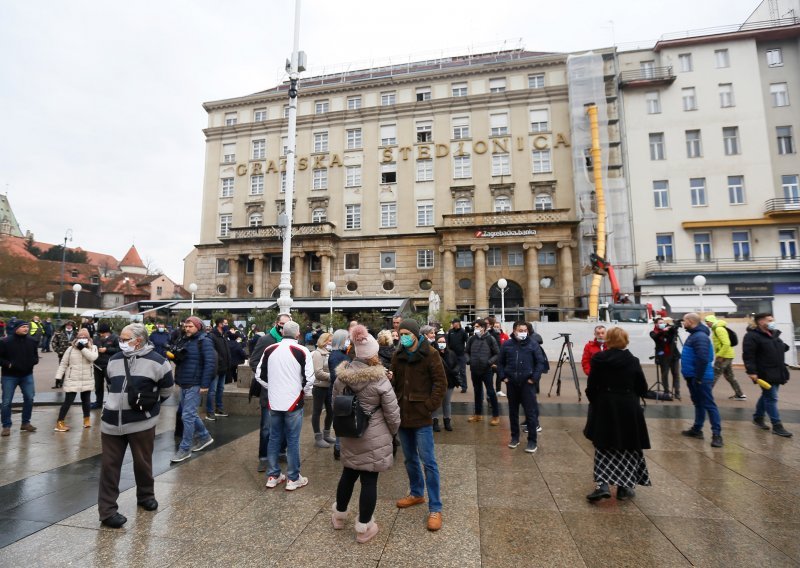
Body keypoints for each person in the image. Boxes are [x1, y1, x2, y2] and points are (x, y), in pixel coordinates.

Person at [98, 323, 174, 528]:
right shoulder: (113, 360)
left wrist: (149, 409)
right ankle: (107, 512)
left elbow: (167, 390)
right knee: (109, 467)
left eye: (124, 339)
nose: (120, 342)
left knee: (142, 462)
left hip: (141, 422)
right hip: (111, 422)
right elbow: (109, 385)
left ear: (138, 340)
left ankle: (146, 496)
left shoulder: (158, 362)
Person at [331, 325, 401, 543]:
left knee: (348, 474)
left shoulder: (342, 377)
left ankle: (339, 516)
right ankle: (364, 528)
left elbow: (335, 404)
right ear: (373, 354)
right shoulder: (380, 379)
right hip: (374, 435)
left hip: (350, 433)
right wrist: (392, 433)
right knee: (369, 481)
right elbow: (393, 413)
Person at [391, 318, 447, 532]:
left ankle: (435, 507)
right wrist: (390, 378)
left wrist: (429, 406)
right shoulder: (398, 354)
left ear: (416, 334)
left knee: (429, 461)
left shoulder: (431, 354)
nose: (402, 336)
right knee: (410, 459)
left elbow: (441, 383)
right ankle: (416, 493)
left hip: (421, 415)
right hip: (403, 415)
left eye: (406, 333)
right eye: (400, 332)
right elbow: (396, 381)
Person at [583, 327, 651, 501]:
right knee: (628, 446)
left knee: (603, 446)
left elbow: (591, 386)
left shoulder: (599, 359)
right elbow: (642, 388)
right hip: (628, 406)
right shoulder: (633, 360)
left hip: (605, 405)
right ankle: (624, 487)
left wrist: (598, 401)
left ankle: (602, 485)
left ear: (609, 340)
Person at [258, 321, 314, 491]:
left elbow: (259, 375)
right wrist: (301, 391)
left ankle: (273, 475)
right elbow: (310, 378)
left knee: (274, 438)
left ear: (282, 332)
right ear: (297, 334)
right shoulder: (302, 350)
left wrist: (272, 388)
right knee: (292, 439)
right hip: (293, 402)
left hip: (274, 402)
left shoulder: (270, 349)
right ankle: (293, 478)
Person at [170, 316, 216, 463]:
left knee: (187, 416)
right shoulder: (184, 339)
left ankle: (184, 449)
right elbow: (183, 360)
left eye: (190, 326)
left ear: (198, 326)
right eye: (186, 326)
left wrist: (204, 385)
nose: (187, 328)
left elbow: (210, 364)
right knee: (189, 413)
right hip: (184, 381)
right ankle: (204, 436)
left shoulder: (205, 341)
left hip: (195, 383)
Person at [498, 321, 549, 453]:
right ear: (514, 331)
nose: (523, 332)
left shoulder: (533, 344)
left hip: (527, 384)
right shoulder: (507, 345)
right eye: (520, 330)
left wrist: (534, 378)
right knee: (513, 412)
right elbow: (500, 363)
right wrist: (503, 377)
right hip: (512, 384)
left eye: (525, 330)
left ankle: (532, 441)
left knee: (530, 413)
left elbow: (540, 362)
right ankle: (515, 437)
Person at [250, 313, 291, 473]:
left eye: (287, 325)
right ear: (276, 323)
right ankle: (264, 457)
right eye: (281, 324)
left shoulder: (292, 340)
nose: (283, 327)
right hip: (269, 391)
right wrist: (269, 377)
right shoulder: (266, 340)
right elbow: (254, 361)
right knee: (267, 427)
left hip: (287, 392)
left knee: (286, 425)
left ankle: (281, 452)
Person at [743, 313, 792, 438]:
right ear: (760, 322)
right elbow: (748, 355)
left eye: (773, 319)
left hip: (778, 370)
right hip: (764, 372)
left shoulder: (774, 334)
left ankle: (758, 418)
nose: (772, 322)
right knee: (772, 398)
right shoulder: (752, 336)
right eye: (770, 320)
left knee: (767, 395)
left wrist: (782, 347)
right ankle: (777, 425)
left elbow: (779, 347)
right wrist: (751, 371)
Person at [680, 313, 723, 448]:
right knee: (699, 403)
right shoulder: (695, 335)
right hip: (694, 376)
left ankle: (717, 434)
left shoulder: (700, 337)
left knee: (709, 405)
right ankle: (697, 429)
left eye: (684, 320)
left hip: (700, 378)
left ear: (691, 321)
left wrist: (698, 378)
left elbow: (703, 358)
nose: (683, 323)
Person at [54, 328, 98, 431]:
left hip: (87, 378)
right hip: (72, 378)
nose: (82, 339)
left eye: (84, 337)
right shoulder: (70, 349)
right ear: (76, 338)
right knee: (68, 401)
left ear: (88, 338)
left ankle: (86, 420)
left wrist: (82, 348)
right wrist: (58, 376)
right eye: (80, 337)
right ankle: (60, 422)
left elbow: (93, 357)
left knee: (86, 400)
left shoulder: (93, 347)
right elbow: (64, 363)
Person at [0, 321, 39, 436]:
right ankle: (6, 426)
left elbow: (35, 357)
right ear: (16, 328)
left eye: (27, 327)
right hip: (9, 376)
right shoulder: (5, 341)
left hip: (27, 375)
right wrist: (8, 364)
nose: (26, 329)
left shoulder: (32, 341)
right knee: (6, 402)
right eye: (23, 327)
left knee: (29, 398)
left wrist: (32, 362)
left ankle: (25, 423)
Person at [465, 319, 500, 425]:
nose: (475, 329)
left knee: (490, 392)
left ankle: (495, 416)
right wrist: (469, 360)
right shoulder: (471, 339)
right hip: (474, 370)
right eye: (475, 327)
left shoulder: (490, 339)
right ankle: (478, 414)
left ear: (483, 328)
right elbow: (466, 352)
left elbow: (497, 353)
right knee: (477, 392)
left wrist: (489, 362)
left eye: (477, 327)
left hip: (486, 370)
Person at [705, 315, 746, 401]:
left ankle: (705, 394)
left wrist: (720, 355)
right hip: (727, 355)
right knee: (729, 376)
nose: (706, 324)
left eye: (707, 322)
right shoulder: (717, 328)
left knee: (714, 374)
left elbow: (726, 343)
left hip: (724, 356)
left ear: (711, 321)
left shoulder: (718, 329)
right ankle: (740, 394)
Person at [311, 332, 336, 448]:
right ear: (324, 341)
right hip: (319, 387)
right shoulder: (317, 354)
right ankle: (318, 437)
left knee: (331, 411)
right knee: (317, 411)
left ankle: (326, 434)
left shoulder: (329, 353)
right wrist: (333, 376)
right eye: (330, 341)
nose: (331, 343)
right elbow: (318, 373)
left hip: (328, 387)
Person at [432, 333, 458, 432]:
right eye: (439, 342)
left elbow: (456, 364)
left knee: (446, 402)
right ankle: (435, 422)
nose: (442, 343)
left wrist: (455, 370)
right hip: (436, 382)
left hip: (449, 382)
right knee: (436, 402)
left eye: (443, 342)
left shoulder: (451, 353)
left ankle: (447, 421)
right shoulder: (433, 353)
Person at [649, 317, 681, 400]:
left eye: (663, 322)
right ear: (656, 324)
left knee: (676, 374)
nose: (662, 324)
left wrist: (674, 327)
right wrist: (663, 331)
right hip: (663, 356)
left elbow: (674, 333)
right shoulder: (653, 332)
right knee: (665, 374)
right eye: (660, 323)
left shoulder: (668, 330)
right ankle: (666, 391)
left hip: (673, 355)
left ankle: (677, 392)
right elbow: (656, 337)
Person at [206, 318, 231, 420]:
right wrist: (220, 361)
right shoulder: (212, 336)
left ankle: (219, 409)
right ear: (220, 324)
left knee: (220, 389)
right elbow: (212, 352)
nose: (227, 325)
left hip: (224, 368)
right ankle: (210, 412)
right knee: (212, 391)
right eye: (225, 323)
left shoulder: (223, 334)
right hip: (216, 368)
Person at [91, 323, 120, 409]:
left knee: (110, 385)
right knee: (98, 385)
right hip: (97, 365)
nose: (100, 335)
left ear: (107, 332)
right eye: (100, 333)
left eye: (102, 333)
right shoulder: (96, 338)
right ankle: (98, 402)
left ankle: (112, 403)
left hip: (109, 365)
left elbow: (119, 349)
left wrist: (107, 349)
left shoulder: (115, 338)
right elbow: (93, 348)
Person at [446, 319, 468, 393]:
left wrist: (465, 351)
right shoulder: (450, 331)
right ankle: (451, 384)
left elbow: (467, 341)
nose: (452, 324)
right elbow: (447, 342)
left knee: (462, 371)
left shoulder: (463, 331)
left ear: (458, 323)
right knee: (451, 371)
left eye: (453, 323)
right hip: (452, 355)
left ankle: (464, 386)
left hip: (461, 355)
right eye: (452, 323)